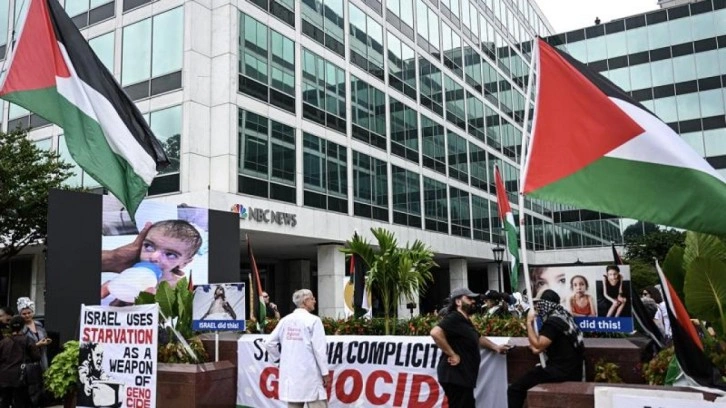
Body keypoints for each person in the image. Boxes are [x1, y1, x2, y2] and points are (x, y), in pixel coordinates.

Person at [430, 288, 511, 408]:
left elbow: (478, 337)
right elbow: (435, 332)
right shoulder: (454, 317)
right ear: (458, 302)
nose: (473, 301)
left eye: (473, 299)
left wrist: (496, 347)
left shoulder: (464, 320)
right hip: (455, 376)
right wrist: (452, 354)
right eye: (469, 298)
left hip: (462, 377)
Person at [508, 289, 585, 408]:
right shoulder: (564, 317)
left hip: (561, 371)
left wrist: (529, 323)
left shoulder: (553, 322)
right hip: (572, 369)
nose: (538, 308)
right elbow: (538, 349)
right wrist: (536, 346)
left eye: (540, 304)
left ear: (546, 304)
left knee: (515, 389)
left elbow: (538, 345)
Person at [101, 220, 203, 304]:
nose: (154, 257)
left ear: (184, 263)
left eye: (170, 254)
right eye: (148, 246)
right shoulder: (131, 274)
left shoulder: (177, 286)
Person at [264, 289, 329, 408]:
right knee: (317, 402)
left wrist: (278, 360)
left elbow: (269, 343)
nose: (315, 301)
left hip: (291, 375)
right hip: (310, 374)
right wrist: (325, 373)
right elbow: (319, 350)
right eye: (312, 298)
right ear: (305, 301)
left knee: (294, 403)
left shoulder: (285, 320)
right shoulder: (314, 321)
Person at [0, 316, 40, 408]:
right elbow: (36, 357)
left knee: (4, 402)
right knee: (20, 402)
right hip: (20, 377)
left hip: (4, 377)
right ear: (23, 326)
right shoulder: (28, 340)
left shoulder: (3, 342)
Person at [77, 342, 122, 408]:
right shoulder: (86, 365)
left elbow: (105, 376)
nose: (100, 359)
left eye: (101, 356)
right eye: (97, 355)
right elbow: (82, 373)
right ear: (90, 357)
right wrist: (86, 381)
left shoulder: (99, 369)